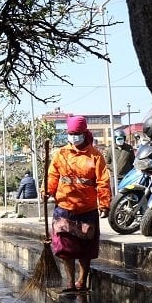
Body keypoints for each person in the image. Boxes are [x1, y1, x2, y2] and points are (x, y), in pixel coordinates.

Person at [43, 115, 111, 292]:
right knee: (66, 248)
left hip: (87, 209)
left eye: (77, 133)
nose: (73, 137)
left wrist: (104, 204)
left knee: (85, 249)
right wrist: (47, 191)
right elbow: (52, 176)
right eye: (71, 133)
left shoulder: (95, 156)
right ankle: (70, 281)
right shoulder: (61, 154)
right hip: (64, 207)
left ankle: (82, 280)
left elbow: (103, 182)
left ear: (84, 133)